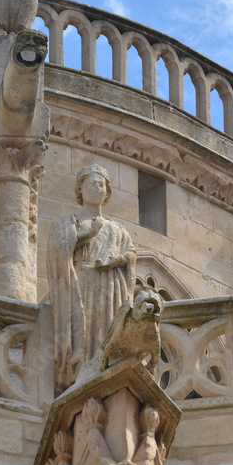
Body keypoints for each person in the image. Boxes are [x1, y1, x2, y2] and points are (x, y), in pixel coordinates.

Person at [47, 164, 136, 395]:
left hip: (109, 287)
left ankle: (103, 365)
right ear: (81, 189)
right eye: (92, 183)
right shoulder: (68, 222)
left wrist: (116, 260)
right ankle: (79, 372)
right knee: (82, 330)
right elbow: (57, 250)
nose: (98, 188)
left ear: (107, 193)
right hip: (79, 283)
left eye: (102, 185)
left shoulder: (118, 230)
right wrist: (88, 233)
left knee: (103, 334)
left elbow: (131, 253)